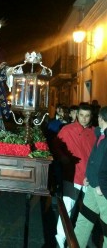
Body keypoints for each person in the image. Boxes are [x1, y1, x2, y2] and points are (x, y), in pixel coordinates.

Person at [52, 104, 96, 248]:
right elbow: (55, 146)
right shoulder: (67, 130)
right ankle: (59, 241)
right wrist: (62, 156)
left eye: (87, 116)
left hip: (89, 179)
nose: (84, 119)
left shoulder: (94, 132)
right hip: (71, 177)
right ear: (77, 115)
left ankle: (80, 242)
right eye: (81, 115)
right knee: (67, 211)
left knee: (87, 214)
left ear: (91, 117)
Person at [74, 106, 107, 247]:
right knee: (84, 221)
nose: (97, 119)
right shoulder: (100, 134)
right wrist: (89, 175)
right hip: (94, 186)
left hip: (103, 191)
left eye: (98, 117)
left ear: (102, 118)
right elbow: (95, 158)